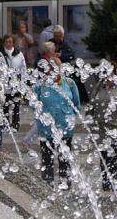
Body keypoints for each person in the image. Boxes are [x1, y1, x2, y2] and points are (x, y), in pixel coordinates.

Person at [34, 56, 81, 186]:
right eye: (50, 67)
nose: (52, 70)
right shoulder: (40, 84)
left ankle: (65, 182)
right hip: (46, 127)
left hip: (65, 126)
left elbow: (76, 104)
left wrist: (67, 113)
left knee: (64, 157)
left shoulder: (70, 83)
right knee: (46, 157)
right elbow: (33, 102)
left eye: (55, 67)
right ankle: (47, 184)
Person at [88, 62, 117, 191]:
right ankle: (107, 185)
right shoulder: (99, 86)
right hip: (101, 130)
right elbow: (92, 104)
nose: (107, 75)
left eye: (109, 72)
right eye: (104, 72)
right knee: (104, 159)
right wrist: (90, 119)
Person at [0, 34, 26, 130]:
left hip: (15, 84)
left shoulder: (19, 54)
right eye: (7, 42)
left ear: (13, 43)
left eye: (10, 42)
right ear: (3, 43)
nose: (9, 44)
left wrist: (22, 83)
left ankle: (15, 125)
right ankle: (5, 125)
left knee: (16, 106)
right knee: (4, 106)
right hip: (4, 85)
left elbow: (23, 69)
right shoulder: (0, 55)